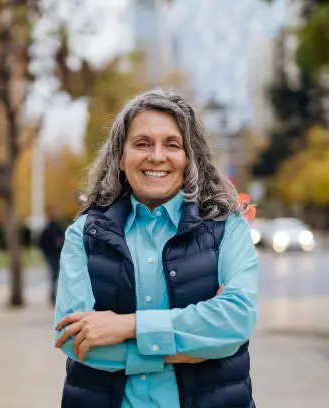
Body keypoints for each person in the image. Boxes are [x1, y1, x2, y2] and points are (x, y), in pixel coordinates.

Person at [54, 90, 259, 408]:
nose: (157, 156)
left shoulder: (227, 227)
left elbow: (235, 320)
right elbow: (75, 340)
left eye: (172, 144)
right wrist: (187, 350)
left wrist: (126, 327)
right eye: (142, 143)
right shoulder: (84, 235)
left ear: (189, 157)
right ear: (120, 158)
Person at [38, 206, 66, 306]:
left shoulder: (52, 229)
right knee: (56, 275)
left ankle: (54, 295)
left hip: (54, 255)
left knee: (55, 275)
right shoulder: (55, 229)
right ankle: (54, 295)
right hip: (54, 255)